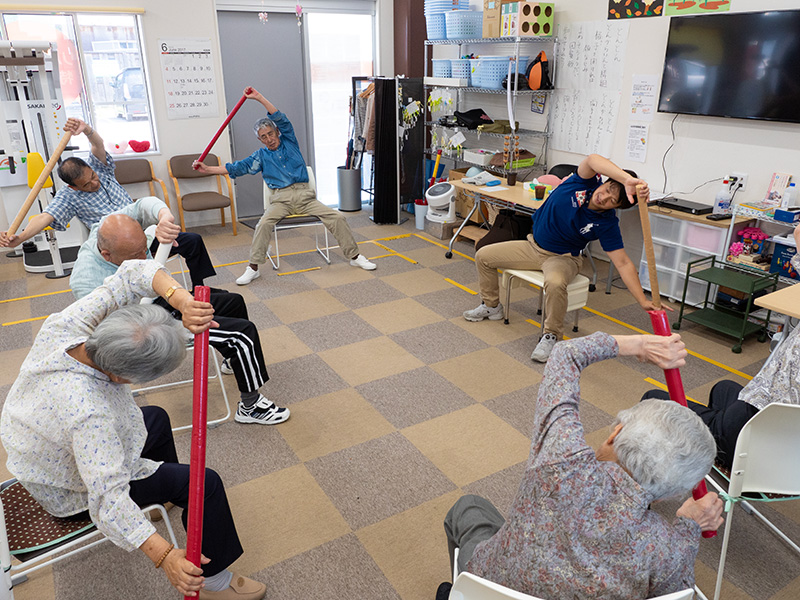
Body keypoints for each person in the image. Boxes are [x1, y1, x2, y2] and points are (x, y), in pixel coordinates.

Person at [0, 261, 266, 600]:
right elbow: (107, 499)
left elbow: (131, 275)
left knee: (153, 417)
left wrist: (182, 301)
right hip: (66, 488)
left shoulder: (66, 328)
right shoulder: (89, 412)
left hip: (37, 444)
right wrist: (165, 556)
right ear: (122, 377)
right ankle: (214, 579)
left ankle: (162, 496)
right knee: (205, 483)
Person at [442, 332, 724, 600]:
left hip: (491, 584)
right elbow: (677, 593)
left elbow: (565, 355)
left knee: (468, 507)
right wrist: (689, 527)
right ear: (667, 494)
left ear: (615, 434)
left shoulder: (561, 459)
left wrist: (639, 345)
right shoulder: (667, 548)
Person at [69, 202, 289, 426]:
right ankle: (250, 407)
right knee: (242, 334)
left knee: (233, 302)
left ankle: (234, 361)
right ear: (106, 255)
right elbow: (116, 331)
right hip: (145, 324)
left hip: (161, 299)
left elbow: (145, 204)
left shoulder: (104, 228)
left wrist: (164, 218)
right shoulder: (86, 281)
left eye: (145, 250)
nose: (145, 259)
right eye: (137, 255)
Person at [463, 154, 666, 363]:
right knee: (483, 255)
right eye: (608, 189)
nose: (604, 197)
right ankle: (492, 306)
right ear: (605, 182)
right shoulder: (583, 182)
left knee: (555, 282)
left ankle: (551, 334)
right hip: (532, 247)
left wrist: (642, 300)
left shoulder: (607, 224)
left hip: (563, 259)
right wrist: (626, 179)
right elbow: (593, 159)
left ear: (615, 207)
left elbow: (622, 262)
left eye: (612, 201)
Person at [641, 225, 800, 469]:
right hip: (785, 454)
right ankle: (717, 452)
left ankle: (721, 453)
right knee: (723, 388)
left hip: (752, 434)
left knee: (652, 399)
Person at [0, 117, 215, 291]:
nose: (95, 182)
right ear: (74, 187)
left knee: (193, 241)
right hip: (118, 246)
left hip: (144, 232)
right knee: (147, 282)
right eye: (87, 184)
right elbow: (45, 217)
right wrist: (19, 238)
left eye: (92, 176)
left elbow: (97, 144)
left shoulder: (99, 168)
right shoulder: (68, 197)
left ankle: (200, 288)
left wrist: (86, 129)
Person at [193, 86, 376, 285]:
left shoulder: (290, 141)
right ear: (259, 139)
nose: (269, 139)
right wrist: (207, 169)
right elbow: (237, 168)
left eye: (271, 133)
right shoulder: (260, 156)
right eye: (264, 137)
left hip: (306, 197)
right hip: (281, 200)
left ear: (277, 132)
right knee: (262, 224)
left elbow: (279, 116)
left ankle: (355, 257)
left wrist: (259, 97)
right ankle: (253, 268)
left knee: (337, 217)